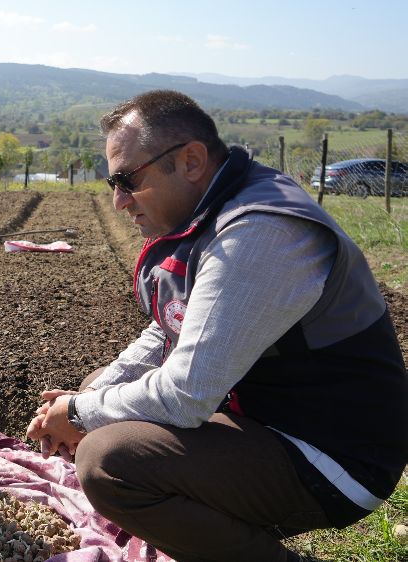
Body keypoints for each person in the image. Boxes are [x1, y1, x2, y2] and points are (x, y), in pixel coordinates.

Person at [26, 90, 408, 562]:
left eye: (128, 179)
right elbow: (170, 329)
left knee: (110, 460)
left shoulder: (258, 233)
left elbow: (186, 395)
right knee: (103, 392)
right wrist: (89, 398)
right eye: (113, 184)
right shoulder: (214, 210)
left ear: (190, 161)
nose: (119, 201)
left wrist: (82, 413)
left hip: (335, 459)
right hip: (276, 422)